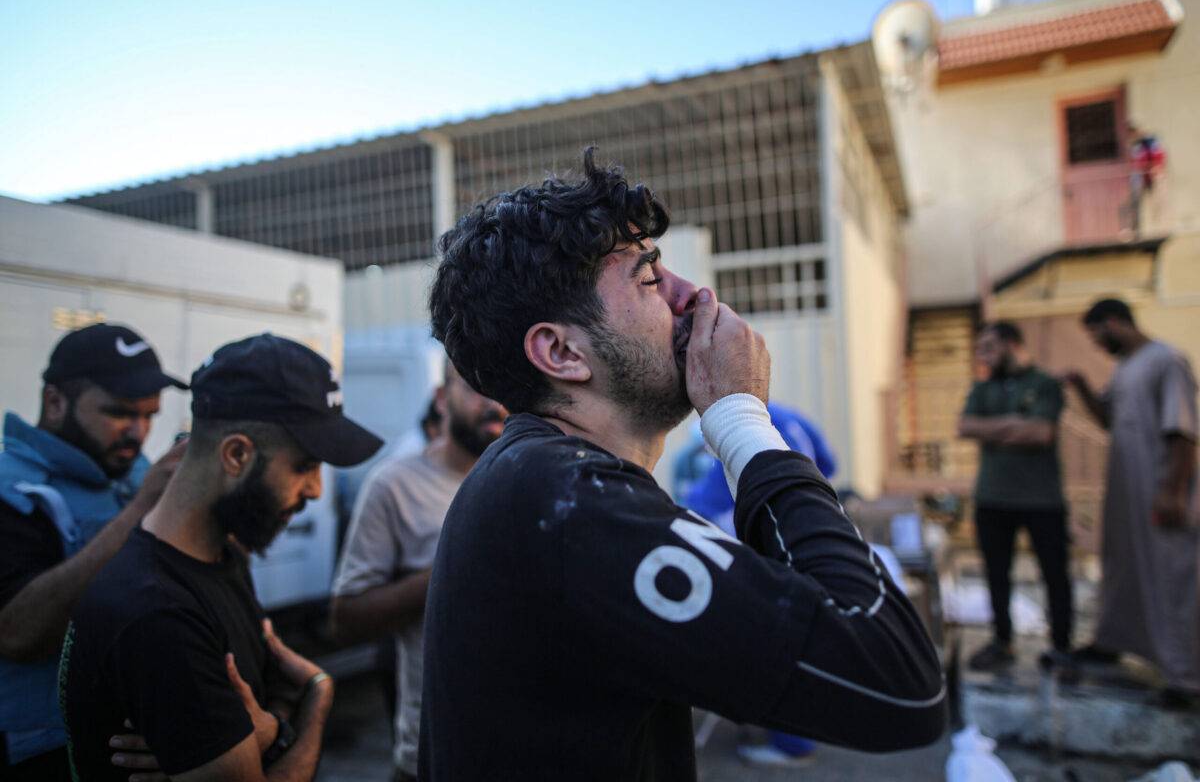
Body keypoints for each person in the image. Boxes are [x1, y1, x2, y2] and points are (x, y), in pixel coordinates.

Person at [419, 148, 947, 780]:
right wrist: (741, 420)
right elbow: (896, 676)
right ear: (561, 352)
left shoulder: (547, 480)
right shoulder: (561, 499)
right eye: (648, 280)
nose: (692, 296)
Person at [60, 334, 384, 780]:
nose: (315, 490)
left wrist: (267, 731)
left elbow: (268, 690)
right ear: (236, 454)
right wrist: (316, 701)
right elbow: (277, 709)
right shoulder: (158, 612)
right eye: (305, 465)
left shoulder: (223, 556)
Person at [0, 323, 187, 780]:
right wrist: (141, 509)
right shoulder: (11, 487)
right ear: (56, 402)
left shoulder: (125, 468)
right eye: (120, 414)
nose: (138, 433)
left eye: (150, 416)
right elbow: (18, 633)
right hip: (39, 754)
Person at [331, 360, 507, 782]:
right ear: (442, 399)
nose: (495, 403)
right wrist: (451, 567)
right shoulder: (394, 485)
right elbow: (345, 619)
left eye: (505, 387)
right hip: (432, 756)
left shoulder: (538, 479)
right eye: (478, 386)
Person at [1063, 298, 1199, 707]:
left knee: (1172, 579)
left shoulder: (1167, 361)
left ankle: (1185, 678)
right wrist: (1082, 387)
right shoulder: (1126, 368)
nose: (1098, 345)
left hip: (1158, 489)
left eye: (1098, 335)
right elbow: (1107, 419)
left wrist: (1173, 490)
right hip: (1126, 493)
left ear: (1115, 323)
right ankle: (1114, 641)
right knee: (1124, 570)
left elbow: (1182, 431)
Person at [686, 402, 836, 768]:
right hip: (802, 535)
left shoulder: (728, 427)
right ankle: (796, 733)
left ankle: (792, 742)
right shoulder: (788, 415)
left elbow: (705, 505)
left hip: (760, 550)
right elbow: (829, 466)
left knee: (773, 643)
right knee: (798, 636)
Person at [957, 322, 1073, 675]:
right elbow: (965, 427)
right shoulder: (983, 388)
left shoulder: (1044, 384)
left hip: (1042, 500)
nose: (983, 355)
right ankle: (1002, 640)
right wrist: (1015, 424)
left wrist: (993, 429)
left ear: (1011, 344)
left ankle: (1062, 646)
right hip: (993, 497)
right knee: (996, 573)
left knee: (1054, 574)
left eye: (989, 347)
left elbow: (1041, 433)